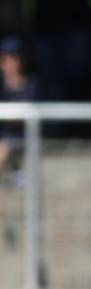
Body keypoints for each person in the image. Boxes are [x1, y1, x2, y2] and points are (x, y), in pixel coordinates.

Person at [0, 37, 39, 182]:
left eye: (16, 57)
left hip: (20, 137)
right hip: (4, 135)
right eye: (7, 58)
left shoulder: (33, 84)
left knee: (4, 145)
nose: (13, 62)